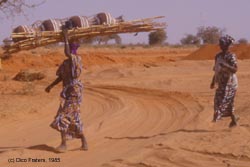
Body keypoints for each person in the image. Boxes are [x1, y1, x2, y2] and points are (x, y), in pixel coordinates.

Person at [45, 26, 88, 152]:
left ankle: (64, 144)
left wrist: (65, 36)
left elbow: (67, 53)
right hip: (67, 93)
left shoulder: (77, 59)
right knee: (73, 118)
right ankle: (84, 141)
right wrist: (51, 85)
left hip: (75, 92)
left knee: (62, 117)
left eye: (70, 44)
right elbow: (61, 77)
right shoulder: (65, 63)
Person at [210, 35, 239, 127]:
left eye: (223, 44)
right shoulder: (218, 56)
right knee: (218, 100)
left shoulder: (231, 56)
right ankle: (234, 119)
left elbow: (235, 69)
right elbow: (217, 70)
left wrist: (225, 65)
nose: (221, 45)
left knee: (224, 100)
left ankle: (216, 116)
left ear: (228, 45)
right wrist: (213, 81)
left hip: (230, 83)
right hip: (221, 82)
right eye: (220, 44)